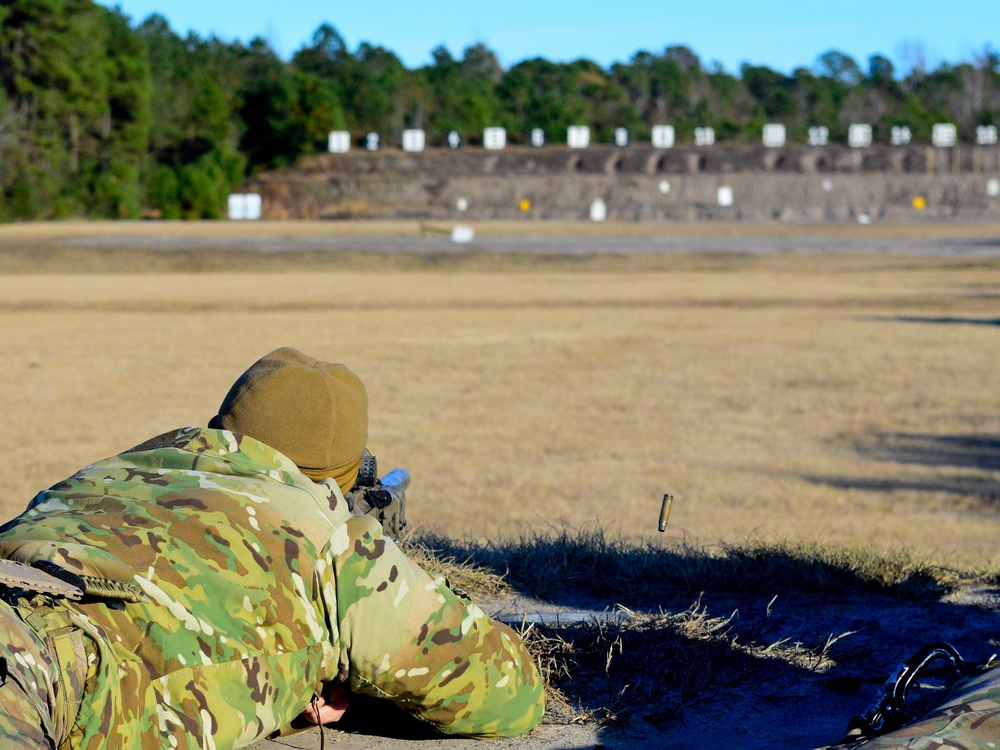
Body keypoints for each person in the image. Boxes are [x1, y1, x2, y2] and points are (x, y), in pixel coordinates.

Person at [0, 347, 544, 749]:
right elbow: (509, 692)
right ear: (341, 480)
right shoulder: (335, 544)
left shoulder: (108, 471)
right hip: (39, 673)